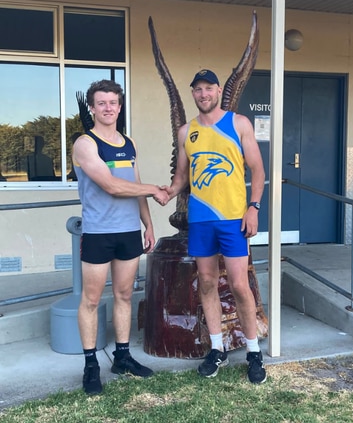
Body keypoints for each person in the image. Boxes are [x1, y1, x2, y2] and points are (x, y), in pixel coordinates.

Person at [161, 69, 266, 383]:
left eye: (208, 88)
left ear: (218, 91)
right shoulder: (186, 132)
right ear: (193, 93)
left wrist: (254, 208)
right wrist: (167, 192)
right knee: (206, 283)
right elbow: (182, 178)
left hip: (234, 219)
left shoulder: (239, 123)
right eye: (197, 89)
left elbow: (258, 170)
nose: (203, 94)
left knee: (238, 285)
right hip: (201, 220)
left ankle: (253, 352)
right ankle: (217, 349)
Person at [72, 79, 169, 395]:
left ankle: (122, 357)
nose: (108, 108)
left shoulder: (129, 142)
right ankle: (90, 366)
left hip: (129, 232)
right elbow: (112, 185)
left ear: (120, 105)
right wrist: (155, 189)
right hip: (99, 233)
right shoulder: (85, 144)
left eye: (113, 102)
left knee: (125, 295)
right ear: (93, 107)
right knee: (91, 299)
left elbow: (133, 183)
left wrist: (148, 224)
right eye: (101, 103)